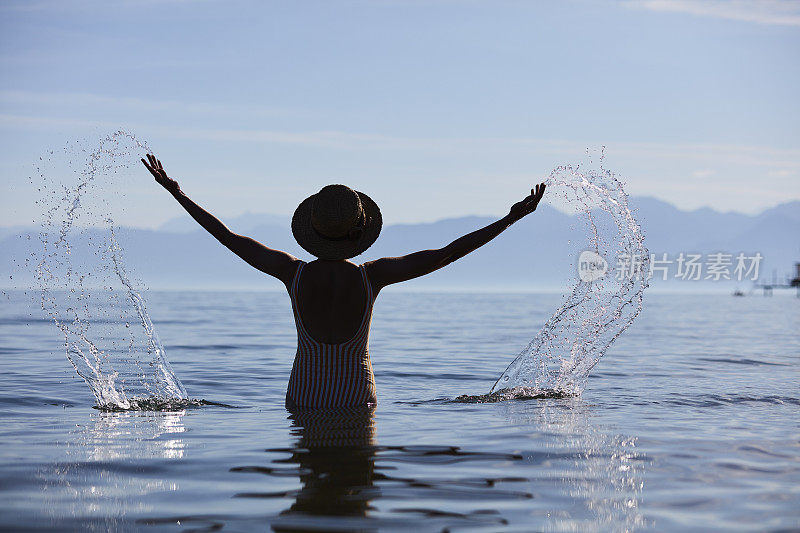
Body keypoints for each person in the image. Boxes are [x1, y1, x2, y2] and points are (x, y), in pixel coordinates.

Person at [141, 154, 546, 410]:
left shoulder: (291, 271)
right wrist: (509, 219)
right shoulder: (375, 276)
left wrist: (176, 192)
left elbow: (227, 236)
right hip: (357, 397)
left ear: (313, 228)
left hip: (304, 396)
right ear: (361, 230)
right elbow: (447, 253)